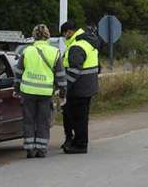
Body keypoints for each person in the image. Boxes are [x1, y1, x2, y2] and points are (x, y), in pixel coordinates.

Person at [14, 24, 65, 158]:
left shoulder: (26, 51)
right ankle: (41, 149)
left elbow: (18, 72)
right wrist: (63, 92)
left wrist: (16, 89)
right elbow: (60, 75)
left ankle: (30, 149)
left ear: (33, 36)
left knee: (29, 120)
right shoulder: (54, 52)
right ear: (47, 36)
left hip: (28, 92)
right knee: (43, 121)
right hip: (45, 93)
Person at [59, 20, 101, 154]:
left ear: (69, 32)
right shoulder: (89, 42)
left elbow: (74, 71)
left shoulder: (76, 47)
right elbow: (98, 67)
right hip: (88, 86)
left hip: (78, 89)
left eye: (64, 34)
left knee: (78, 118)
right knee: (80, 117)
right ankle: (77, 142)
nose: (64, 37)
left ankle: (80, 144)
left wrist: (64, 86)